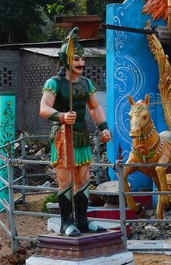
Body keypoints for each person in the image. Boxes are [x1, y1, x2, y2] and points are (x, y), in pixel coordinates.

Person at [39, 28, 111, 236]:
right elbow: (43, 108)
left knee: (84, 179)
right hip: (63, 136)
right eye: (77, 58)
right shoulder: (54, 83)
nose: (82, 63)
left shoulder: (86, 83)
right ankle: (66, 223)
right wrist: (61, 116)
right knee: (66, 180)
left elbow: (94, 108)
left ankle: (82, 220)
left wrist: (103, 128)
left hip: (81, 135)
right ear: (66, 59)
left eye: (83, 59)